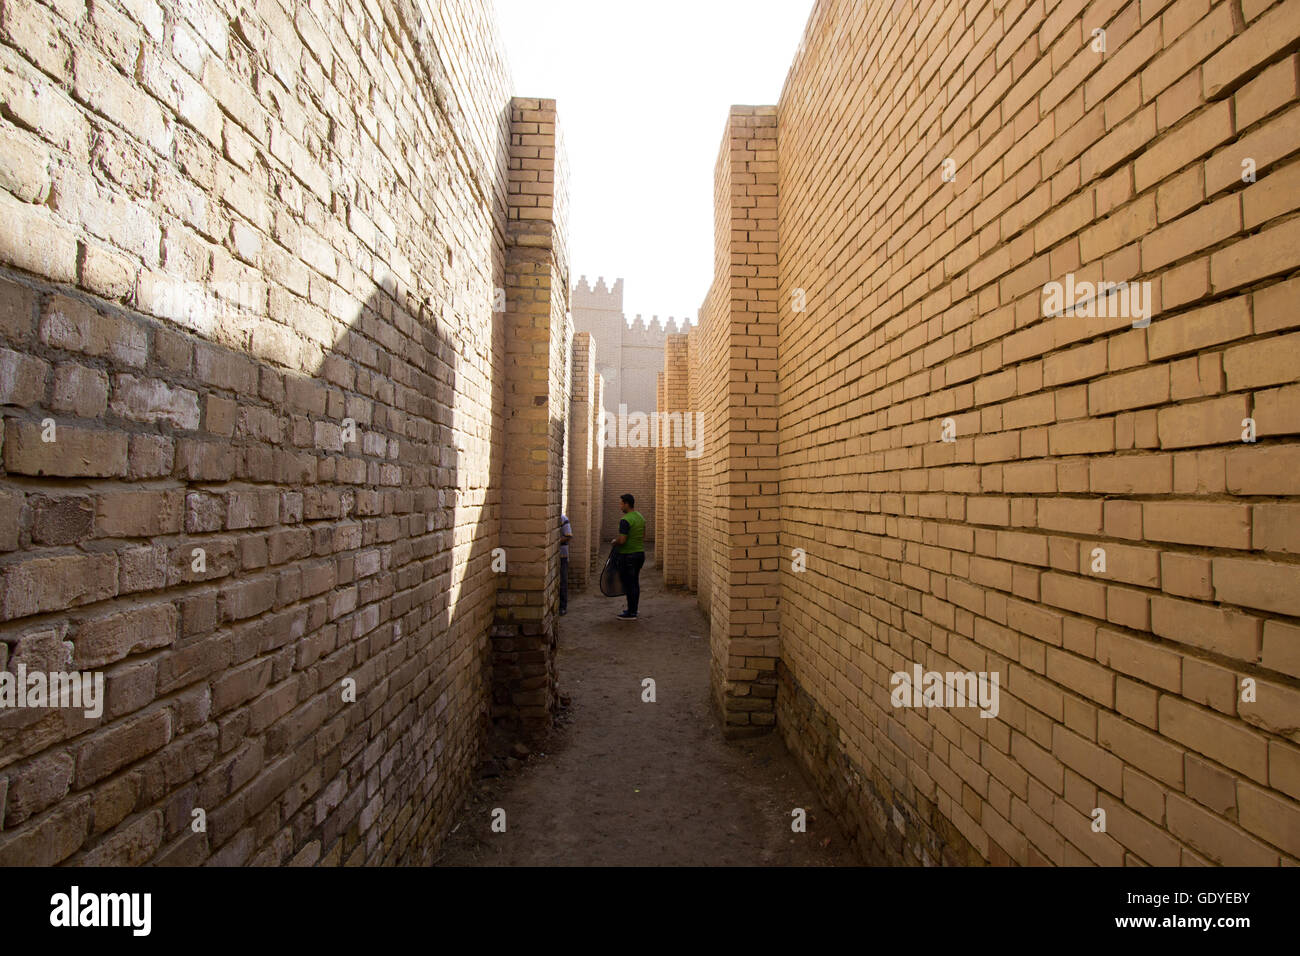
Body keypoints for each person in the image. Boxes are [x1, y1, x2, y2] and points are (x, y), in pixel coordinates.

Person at [611, 493, 645, 620]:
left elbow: (622, 540)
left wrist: (615, 542)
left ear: (626, 504)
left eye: (621, 503)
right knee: (634, 583)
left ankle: (631, 613)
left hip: (628, 556)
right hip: (640, 554)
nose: (620, 506)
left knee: (629, 584)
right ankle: (633, 609)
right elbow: (643, 535)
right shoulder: (640, 517)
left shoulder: (625, 520)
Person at [559, 513, 572, 615]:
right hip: (554, 555)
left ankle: (563, 606)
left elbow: (568, 536)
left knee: (563, 581)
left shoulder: (563, 518)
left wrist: (555, 541)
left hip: (562, 555)